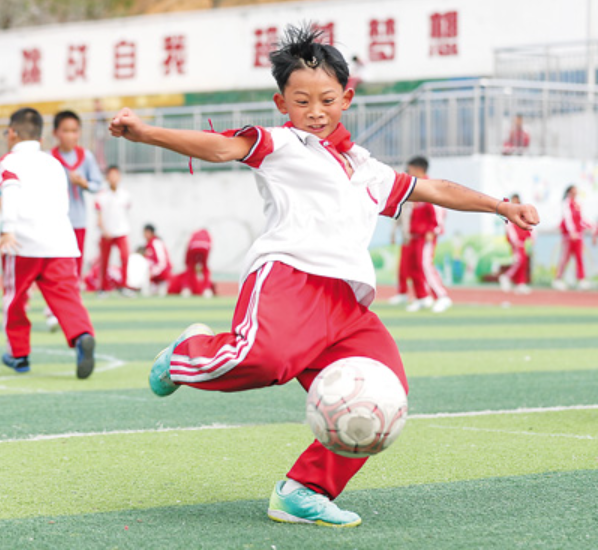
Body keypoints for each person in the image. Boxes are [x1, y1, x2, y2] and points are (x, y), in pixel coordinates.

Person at [109, 24, 539, 528]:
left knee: (383, 395)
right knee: (262, 360)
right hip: (289, 277)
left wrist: (501, 207)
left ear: (347, 99)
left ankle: (303, 490)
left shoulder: (368, 169)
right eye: (302, 101)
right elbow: (220, 148)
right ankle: (185, 355)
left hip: (348, 303)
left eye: (327, 100)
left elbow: (435, 189)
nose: (315, 111)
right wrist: (145, 132)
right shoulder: (280, 144)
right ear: (282, 103)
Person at [0, 108, 96, 378]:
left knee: (15, 299)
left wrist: (7, 229)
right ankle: (82, 335)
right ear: (41, 139)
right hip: (60, 242)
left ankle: (19, 354)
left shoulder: (7, 162)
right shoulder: (54, 164)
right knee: (66, 297)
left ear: (11, 133)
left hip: (22, 243)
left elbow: (10, 190)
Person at [51, 110, 103, 277]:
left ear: (79, 132)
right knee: (56, 263)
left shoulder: (85, 157)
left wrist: (83, 183)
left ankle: (74, 292)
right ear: (55, 133)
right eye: (65, 131)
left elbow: (97, 184)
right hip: (55, 220)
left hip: (78, 219)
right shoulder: (50, 158)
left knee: (76, 262)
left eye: (74, 131)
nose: (70, 135)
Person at [403, 157, 453, 313]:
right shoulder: (416, 187)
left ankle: (442, 296)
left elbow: (439, 209)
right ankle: (422, 297)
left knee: (425, 265)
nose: (408, 172)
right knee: (413, 267)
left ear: (418, 170)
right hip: (415, 235)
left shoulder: (429, 186)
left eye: (410, 169)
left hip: (426, 235)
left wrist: (434, 230)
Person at [94, 165, 132, 295]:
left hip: (121, 232)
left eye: (116, 175)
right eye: (111, 175)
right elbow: (99, 216)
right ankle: (103, 288)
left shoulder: (125, 194)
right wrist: (104, 230)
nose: (114, 178)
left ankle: (124, 286)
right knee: (104, 261)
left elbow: (126, 212)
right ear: (107, 178)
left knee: (125, 258)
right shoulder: (101, 196)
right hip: (106, 233)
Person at [553, 184, 594, 290]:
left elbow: (581, 219)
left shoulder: (577, 204)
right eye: (574, 190)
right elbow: (568, 218)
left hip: (578, 236)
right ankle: (558, 279)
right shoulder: (566, 203)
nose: (576, 192)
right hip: (569, 236)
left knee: (579, 257)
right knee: (565, 258)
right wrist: (572, 231)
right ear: (569, 192)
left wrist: (591, 226)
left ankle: (581, 279)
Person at [499, 193, 534, 294]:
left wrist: (530, 237)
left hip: (523, 242)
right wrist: (514, 241)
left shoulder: (522, 213)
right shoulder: (509, 213)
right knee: (519, 261)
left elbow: (527, 225)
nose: (516, 203)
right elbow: (509, 228)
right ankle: (506, 277)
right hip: (516, 242)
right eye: (514, 201)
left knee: (524, 262)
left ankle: (520, 283)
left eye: (517, 201)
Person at [168, 229, 214, 297]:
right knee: (204, 268)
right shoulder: (207, 236)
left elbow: (188, 252)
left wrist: (187, 263)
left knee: (190, 269)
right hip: (205, 248)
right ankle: (206, 289)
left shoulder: (194, 235)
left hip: (193, 248)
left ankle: (186, 288)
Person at [388, 200, 413, 305]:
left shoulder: (419, 203)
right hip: (407, 239)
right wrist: (393, 234)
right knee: (403, 268)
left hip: (417, 237)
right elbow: (397, 217)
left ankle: (423, 296)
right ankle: (403, 293)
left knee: (418, 269)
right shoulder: (403, 202)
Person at [143, 224, 172, 295]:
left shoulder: (156, 242)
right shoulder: (147, 244)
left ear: (152, 233)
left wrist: (152, 273)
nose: (145, 234)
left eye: (147, 232)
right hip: (154, 278)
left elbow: (162, 262)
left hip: (162, 276)